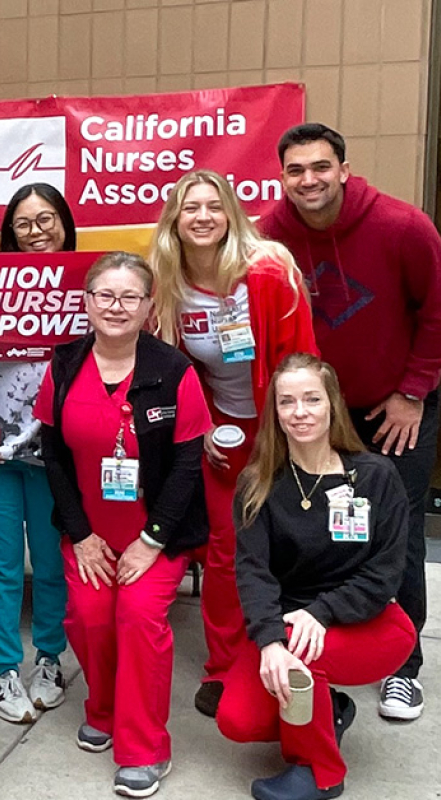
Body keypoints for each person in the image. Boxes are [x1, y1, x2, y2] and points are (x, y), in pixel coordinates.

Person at [256, 123, 441, 721]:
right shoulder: (267, 236)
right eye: (295, 170)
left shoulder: (402, 226)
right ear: (281, 175)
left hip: (393, 409)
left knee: (399, 530)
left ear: (342, 168)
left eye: (319, 166)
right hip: (311, 413)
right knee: (313, 528)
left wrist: (412, 392)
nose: (308, 180)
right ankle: (316, 646)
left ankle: (402, 669)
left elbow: (438, 311)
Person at [34, 252, 211, 798]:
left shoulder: (174, 370)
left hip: (155, 536)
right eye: (105, 296)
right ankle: (104, 709)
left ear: (148, 306)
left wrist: (152, 541)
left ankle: (145, 749)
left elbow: (187, 464)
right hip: (89, 531)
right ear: (87, 303)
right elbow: (54, 455)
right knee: (87, 617)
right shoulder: (64, 365)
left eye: (129, 297)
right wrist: (81, 534)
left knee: (137, 619)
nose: (116, 307)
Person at [147, 169, 318, 718]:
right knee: (226, 550)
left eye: (213, 206)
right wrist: (197, 432)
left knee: (289, 544)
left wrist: (289, 434)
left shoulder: (268, 271)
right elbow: (173, 372)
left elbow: (301, 362)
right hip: (221, 433)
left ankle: (295, 651)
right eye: (190, 207)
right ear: (175, 218)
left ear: (231, 214)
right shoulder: (167, 283)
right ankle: (223, 666)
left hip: (283, 427)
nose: (202, 217)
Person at [219, 353, 417, 800]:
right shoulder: (258, 483)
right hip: (290, 626)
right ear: (276, 412)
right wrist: (269, 639)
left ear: (332, 404)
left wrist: (320, 613)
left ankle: (320, 773)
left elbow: (385, 573)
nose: (300, 412)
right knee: (236, 720)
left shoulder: (375, 477)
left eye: (312, 399)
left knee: (303, 655)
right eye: (287, 402)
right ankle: (328, 707)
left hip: (371, 620)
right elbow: (253, 573)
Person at [0, 184, 74, 724]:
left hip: (60, 455)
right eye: (23, 223)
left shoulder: (88, 288)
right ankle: (4, 669)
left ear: (64, 223)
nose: (36, 231)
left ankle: (50, 659)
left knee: (54, 565)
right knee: (2, 565)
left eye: (47, 219)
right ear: (9, 232)